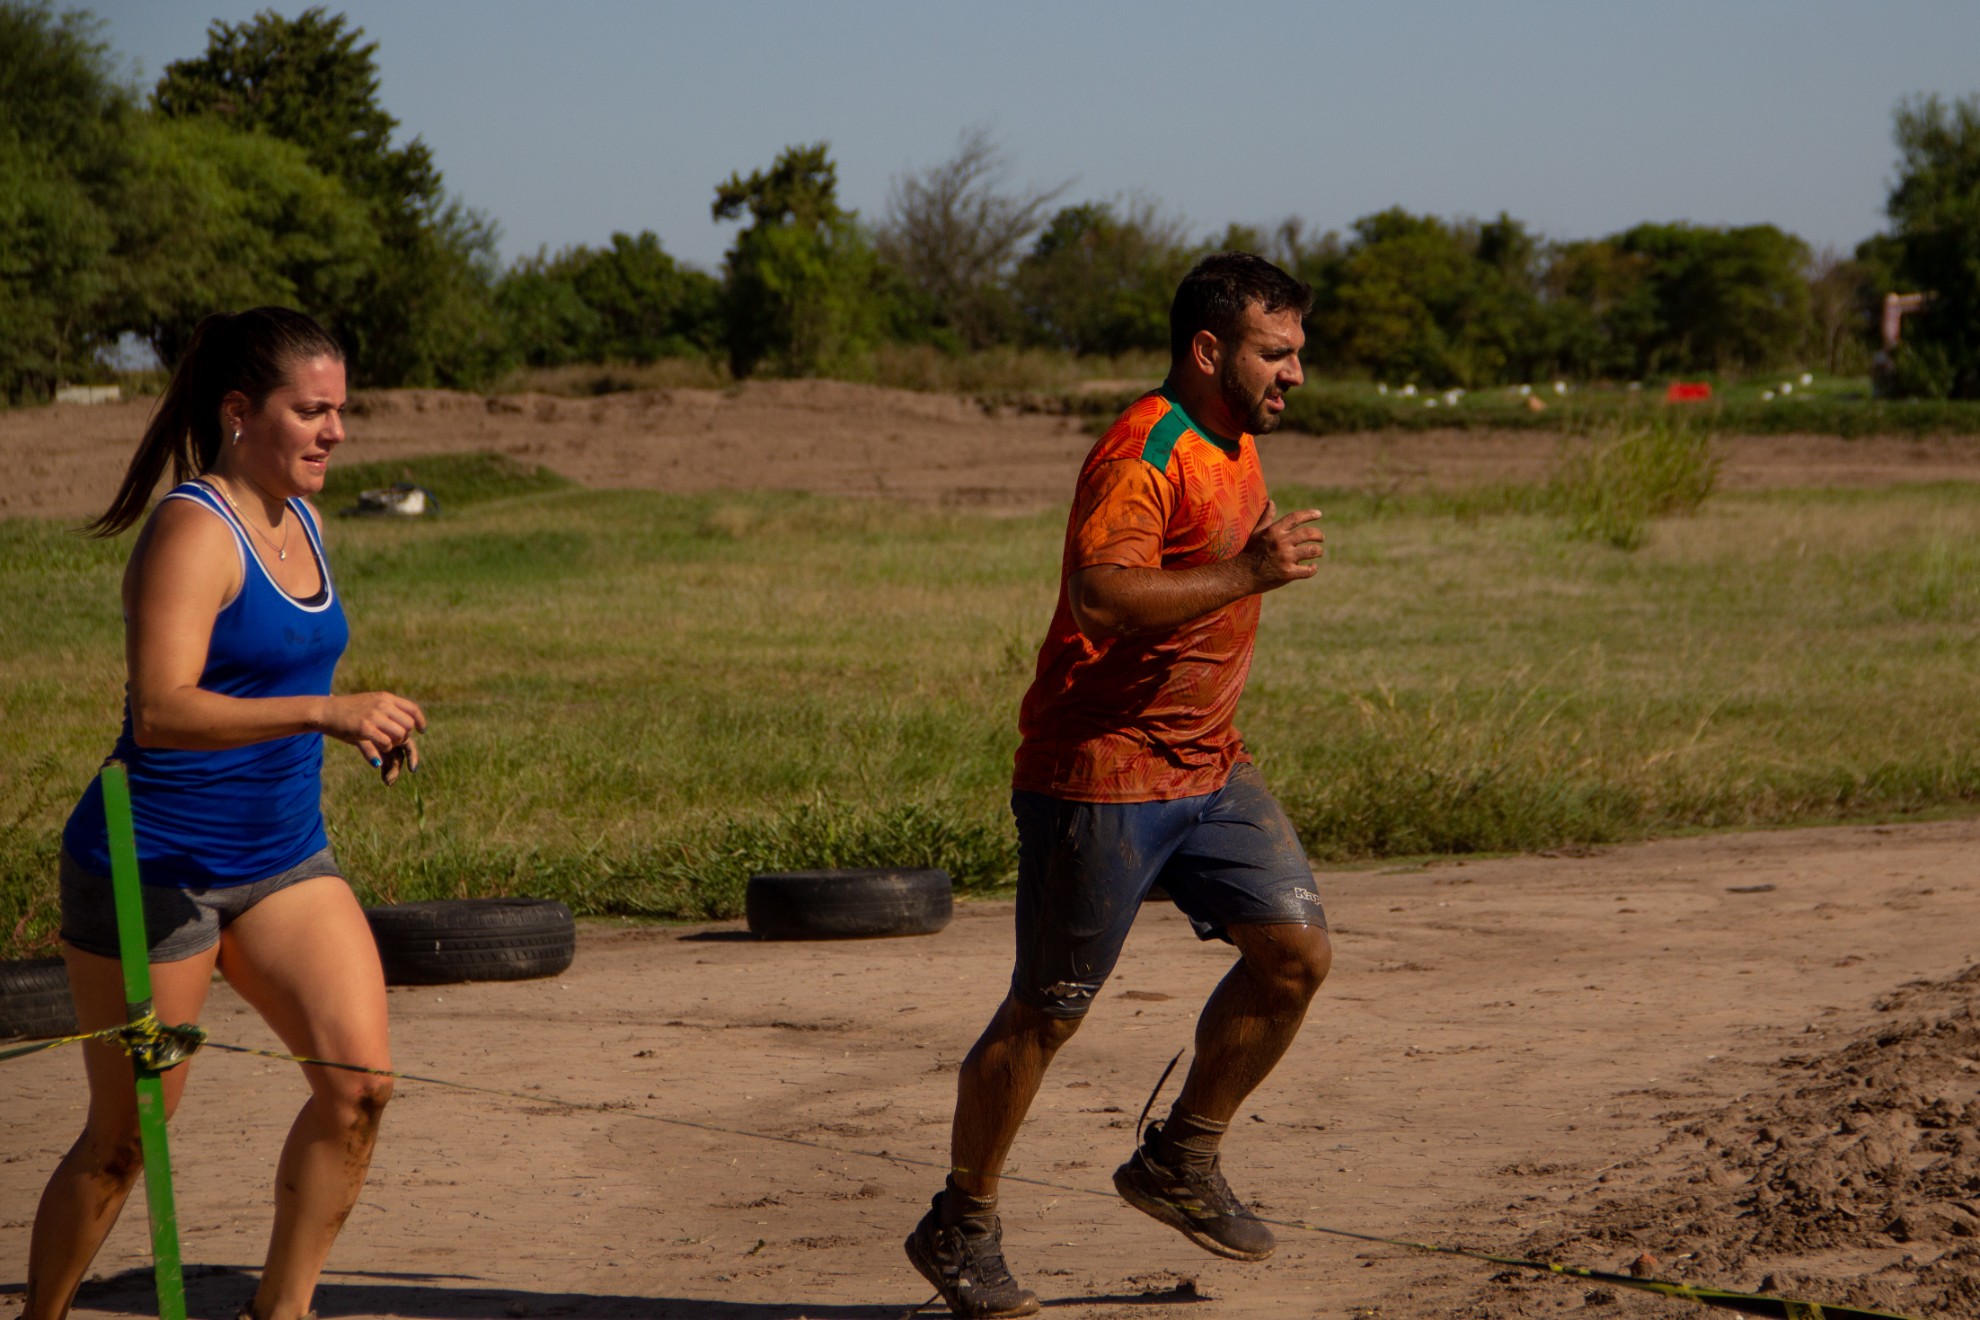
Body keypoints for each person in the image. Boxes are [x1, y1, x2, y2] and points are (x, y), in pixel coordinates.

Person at [905, 254, 1333, 1317]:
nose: (1294, 377)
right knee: (1045, 1013)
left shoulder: (1236, 444)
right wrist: (1250, 573)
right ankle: (961, 1222)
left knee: (1294, 956)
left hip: (1210, 767)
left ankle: (1179, 1160)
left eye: (1298, 356)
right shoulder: (1145, 451)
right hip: (1096, 778)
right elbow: (1100, 597)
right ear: (1208, 350)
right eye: (1276, 354)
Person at [25, 308, 425, 1320]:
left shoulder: (308, 519)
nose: (336, 431)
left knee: (360, 1085)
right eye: (313, 411)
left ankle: (278, 1313)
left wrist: (362, 724)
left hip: (283, 860)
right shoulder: (195, 530)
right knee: (125, 1144)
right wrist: (326, 710)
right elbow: (161, 711)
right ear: (242, 412)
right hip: (152, 866)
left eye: (342, 409)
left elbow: (281, 671)